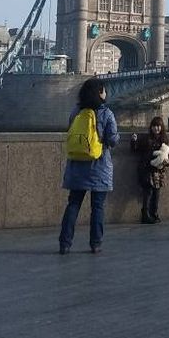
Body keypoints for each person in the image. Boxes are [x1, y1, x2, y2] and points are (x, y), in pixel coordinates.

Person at [58, 78, 119, 255]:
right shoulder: (107, 114)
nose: (106, 93)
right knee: (97, 207)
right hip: (99, 165)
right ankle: (95, 243)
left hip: (76, 165)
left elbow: (71, 132)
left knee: (73, 204)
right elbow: (113, 140)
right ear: (100, 93)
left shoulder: (76, 111)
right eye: (104, 90)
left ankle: (65, 243)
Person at [131, 116, 169, 224]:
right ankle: (145, 215)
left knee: (156, 193)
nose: (156, 128)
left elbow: (167, 155)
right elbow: (136, 149)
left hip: (158, 171)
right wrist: (134, 141)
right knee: (148, 192)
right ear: (151, 127)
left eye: (158, 126)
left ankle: (154, 213)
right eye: (154, 126)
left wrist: (166, 162)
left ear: (161, 127)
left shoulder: (164, 139)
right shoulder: (146, 138)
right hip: (146, 169)